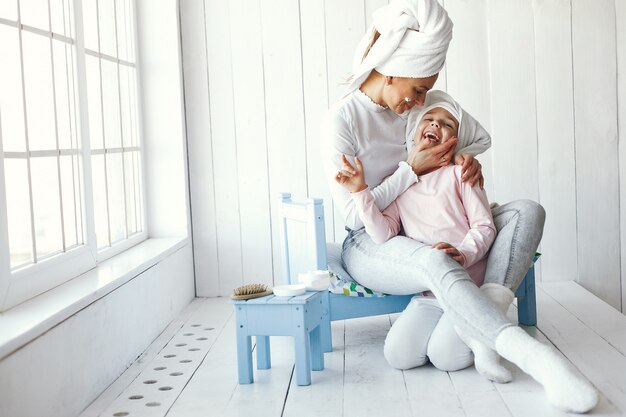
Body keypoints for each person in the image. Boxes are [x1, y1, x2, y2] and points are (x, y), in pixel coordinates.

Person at [320, 0, 598, 413]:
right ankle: (536, 359)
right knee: (434, 260)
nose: (419, 105)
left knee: (526, 211)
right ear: (392, 70)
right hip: (374, 240)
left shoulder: (415, 111)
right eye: (417, 91)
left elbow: (462, 137)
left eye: (425, 95)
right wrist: (410, 169)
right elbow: (353, 214)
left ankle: (486, 309)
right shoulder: (341, 120)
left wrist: (465, 158)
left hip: (433, 231)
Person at [336, 94, 499, 376]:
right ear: (415, 133)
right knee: (398, 355)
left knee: (445, 357)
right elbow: (382, 234)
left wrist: (464, 254)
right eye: (430, 120)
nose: (436, 125)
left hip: (467, 287)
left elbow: (484, 226)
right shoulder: (402, 183)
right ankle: (449, 326)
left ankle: (479, 324)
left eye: (447, 124)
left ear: (455, 142)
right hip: (429, 292)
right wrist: (360, 191)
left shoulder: (460, 174)